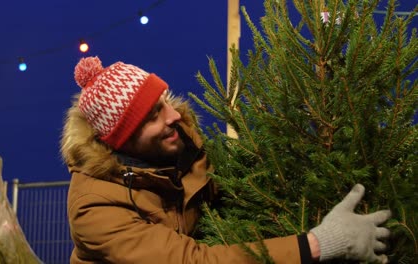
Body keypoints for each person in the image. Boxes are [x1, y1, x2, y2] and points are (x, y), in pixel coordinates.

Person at [61, 56, 391, 263]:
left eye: (164, 101)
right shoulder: (94, 207)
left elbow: (237, 193)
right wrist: (321, 242)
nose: (174, 115)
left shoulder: (184, 151)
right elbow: (193, 261)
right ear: (121, 139)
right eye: (152, 116)